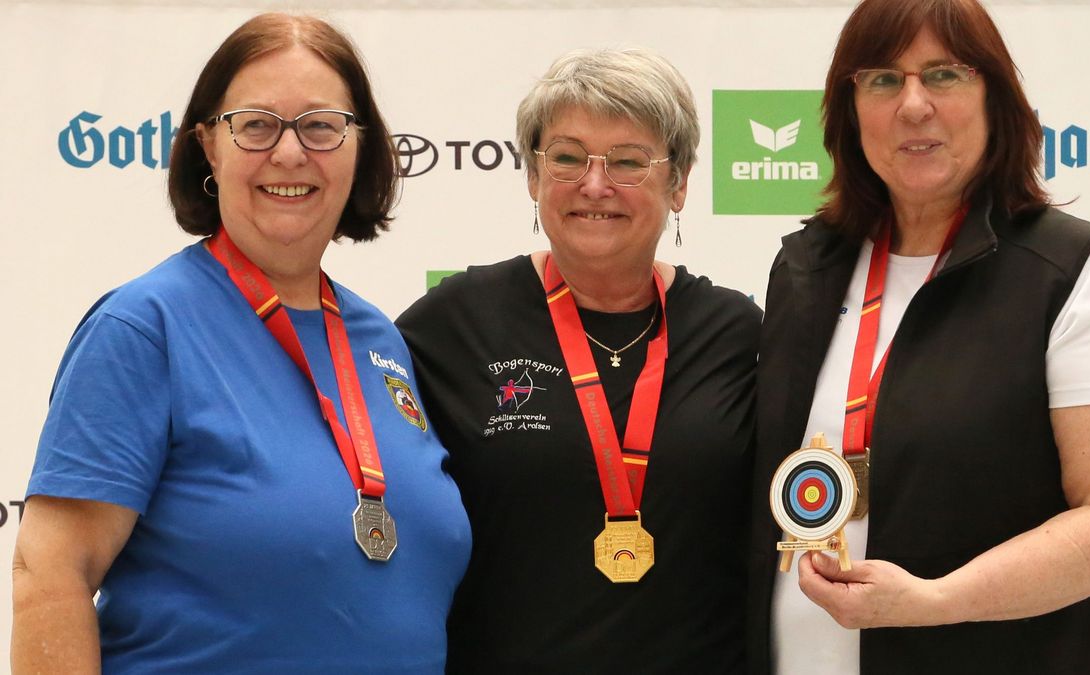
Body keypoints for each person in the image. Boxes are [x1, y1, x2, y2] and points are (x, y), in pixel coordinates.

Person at [11, 13, 469, 674]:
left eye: (321, 125)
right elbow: (50, 573)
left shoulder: (381, 342)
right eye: (256, 124)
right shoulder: (147, 327)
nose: (290, 153)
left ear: (360, 149)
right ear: (208, 146)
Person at [750, 0, 1090, 673]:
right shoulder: (807, 266)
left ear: (996, 101)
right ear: (850, 109)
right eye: (883, 79)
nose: (913, 104)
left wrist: (935, 599)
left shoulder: (1075, 273)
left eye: (944, 75)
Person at [396, 48, 761, 673]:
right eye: (566, 158)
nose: (595, 185)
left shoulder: (735, 332)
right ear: (534, 177)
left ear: (677, 183)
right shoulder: (452, 323)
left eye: (627, 161)